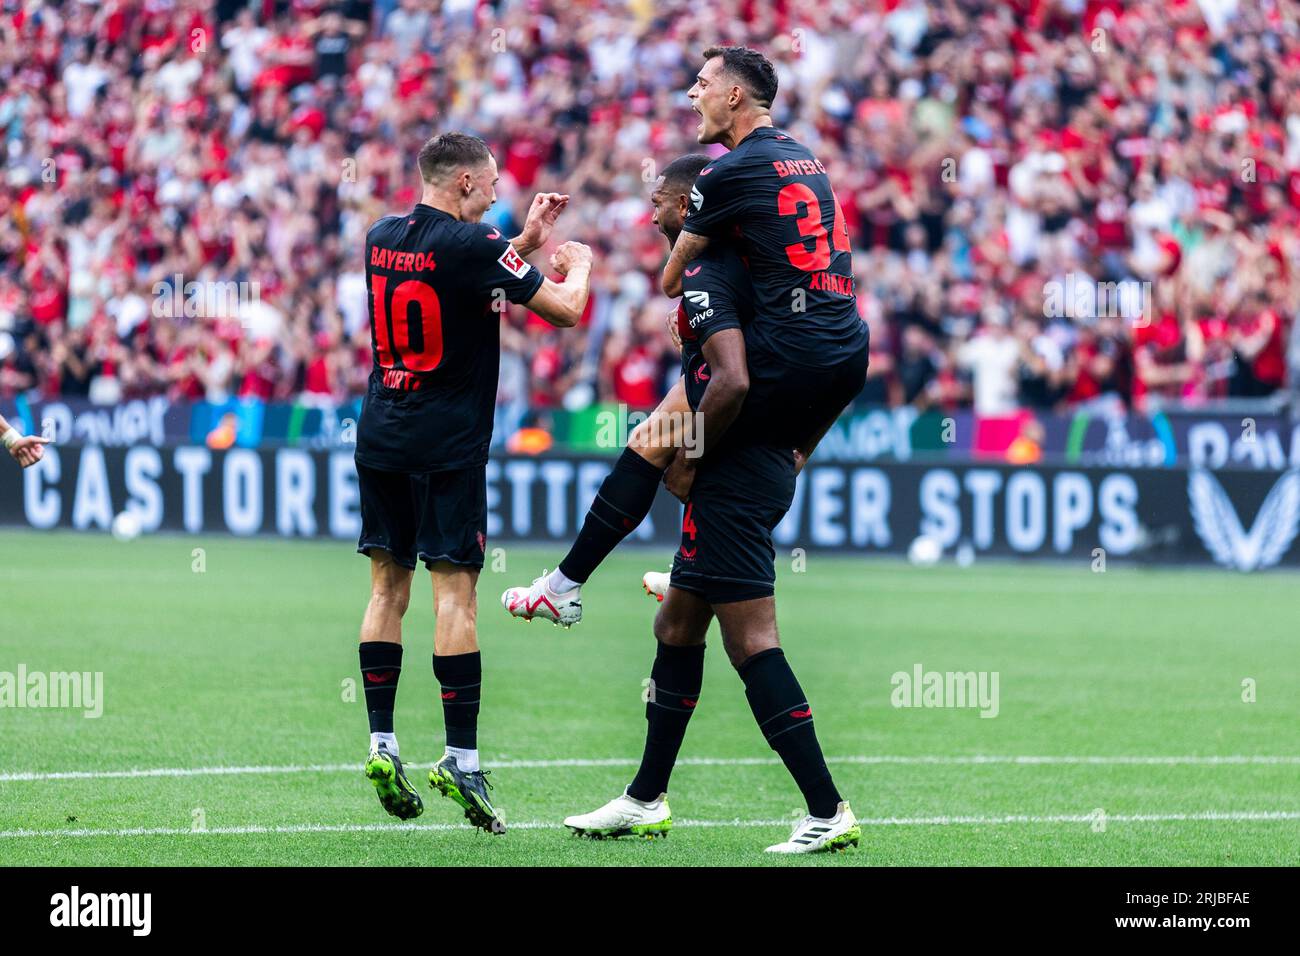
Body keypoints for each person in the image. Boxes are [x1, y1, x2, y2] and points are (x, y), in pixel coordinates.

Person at [565, 47, 870, 854]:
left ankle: (826, 808)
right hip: (832, 358)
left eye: (701, 84)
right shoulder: (805, 162)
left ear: (737, 94)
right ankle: (644, 797)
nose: (692, 95)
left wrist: (694, 463)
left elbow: (701, 333)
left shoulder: (723, 195)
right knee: (676, 625)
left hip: (769, 395)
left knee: (751, 638)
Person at [354, 132, 592, 833]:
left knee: (384, 592)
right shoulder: (477, 243)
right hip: (447, 445)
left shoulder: (380, 235)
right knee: (454, 599)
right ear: (461, 183)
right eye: (489, 185)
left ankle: (383, 744)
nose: (496, 195)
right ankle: (461, 757)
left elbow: (456, 267)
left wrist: (522, 238)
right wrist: (576, 263)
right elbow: (564, 310)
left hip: (380, 433)